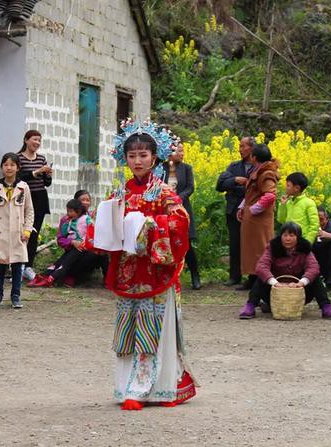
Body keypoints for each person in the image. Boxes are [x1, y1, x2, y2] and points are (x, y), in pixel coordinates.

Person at [88, 119, 196, 410]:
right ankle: (131, 386)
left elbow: (180, 222)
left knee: (156, 327)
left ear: (154, 157)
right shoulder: (120, 193)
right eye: (132, 155)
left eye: (143, 155)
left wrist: (149, 225)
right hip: (128, 270)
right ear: (125, 158)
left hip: (156, 269)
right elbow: (104, 223)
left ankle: (157, 388)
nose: (137, 161)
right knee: (129, 327)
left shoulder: (164, 192)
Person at [238, 222, 331, 320]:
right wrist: (275, 283)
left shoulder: (305, 249)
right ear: (281, 236)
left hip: (299, 293)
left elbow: (313, 267)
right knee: (261, 277)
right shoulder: (272, 248)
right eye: (285, 235)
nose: (287, 239)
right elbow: (261, 266)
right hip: (274, 291)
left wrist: (301, 282)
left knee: (315, 278)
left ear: (298, 237)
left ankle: (326, 306)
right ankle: (250, 305)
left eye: (291, 235)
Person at [0, 153, 34, 309]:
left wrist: (27, 230)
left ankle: (16, 296)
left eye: (12, 165)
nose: (9, 168)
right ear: (1, 167)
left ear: (18, 167)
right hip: (0, 233)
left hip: (17, 232)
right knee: (0, 266)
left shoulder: (23, 187)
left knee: (17, 266)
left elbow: (29, 210)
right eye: (6, 164)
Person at [28, 198, 106, 288]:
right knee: (68, 257)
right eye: (67, 211)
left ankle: (52, 277)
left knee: (90, 254)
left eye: (71, 211)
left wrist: (84, 243)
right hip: (73, 250)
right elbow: (60, 238)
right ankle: (47, 276)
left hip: (85, 250)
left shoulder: (87, 219)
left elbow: (93, 234)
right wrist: (72, 242)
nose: (68, 213)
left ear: (78, 211)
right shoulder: (67, 221)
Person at [237, 144, 279, 291]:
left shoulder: (267, 173)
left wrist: (253, 210)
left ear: (254, 157)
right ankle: (252, 278)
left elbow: (270, 196)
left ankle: (261, 280)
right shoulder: (258, 170)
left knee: (260, 249)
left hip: (259, 220)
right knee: (251, 250)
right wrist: (243, 207)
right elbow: (252, 193)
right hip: (253, 220)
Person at [216, 136, 253, 286]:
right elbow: (220, 185)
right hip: (233, 210)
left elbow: (253, 189)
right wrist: (236, 180)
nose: (240, 149)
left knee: (252, 244)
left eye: (243, 146)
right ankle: (234, 276)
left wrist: (235, 188)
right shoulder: (234, 166)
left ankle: (252, 277)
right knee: (235, 243)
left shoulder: (259, 167)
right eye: (239, 146)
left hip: (252, 211)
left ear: (252, 148)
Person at [17, 130, 53, 281]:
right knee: (20, 232)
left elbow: (46, 183)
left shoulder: (41, 158)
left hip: (39, 198)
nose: (37, 143)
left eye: (39, 140)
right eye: (34, 139)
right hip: (23, 198)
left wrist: (48, 175)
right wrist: (37, 171)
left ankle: (28, 266)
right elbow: (18, 178)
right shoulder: (18, 158)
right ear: (26, 140)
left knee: (34, 234)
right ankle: (17, 265)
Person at [164, 143, 200, 290]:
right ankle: (168, 277)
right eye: (179, 151)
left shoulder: (186, 168)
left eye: (183, 151)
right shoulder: (161, 168)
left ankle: (195, 275)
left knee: (187, 244)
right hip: (164, 210)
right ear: (170, 152)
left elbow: (190, 187)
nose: (182, 154)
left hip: (182, 209)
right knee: (166, 242)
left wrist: (178, 198)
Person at [277, 172, 319, 243]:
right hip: (288, 241)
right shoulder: (288, 202)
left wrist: (307, 243)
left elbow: (314, 226)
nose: (285, 187)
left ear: (297, 188)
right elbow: (281, 220)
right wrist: (282, 205)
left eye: (288, 185)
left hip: (301, 242)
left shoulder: (309, 203)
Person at [313, 207, 331, 291]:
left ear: (327, 219)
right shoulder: (308, 226)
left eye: (321, 219)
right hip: (314, 260)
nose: (319, 222)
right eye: (316, 220)